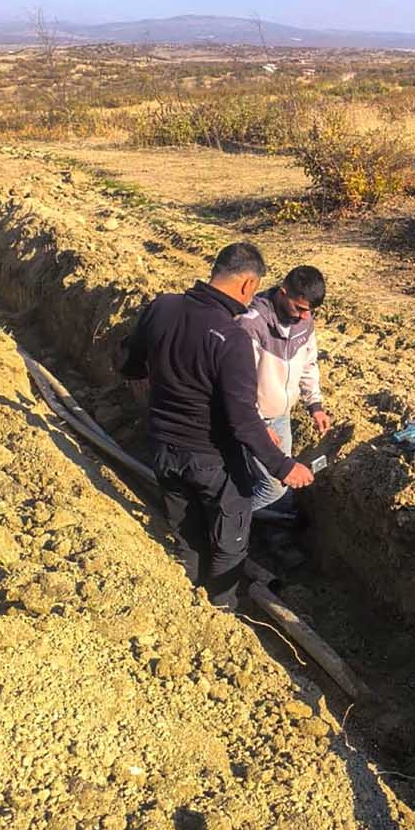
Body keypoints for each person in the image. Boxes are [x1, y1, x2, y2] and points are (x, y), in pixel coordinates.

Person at [119, 242, 314, 609]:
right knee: (228, 543)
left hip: (162, 449)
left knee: (187, 534)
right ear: (247, 285)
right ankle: (220, 613)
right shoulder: (232, 338)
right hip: (212, 461)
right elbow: (241, 420)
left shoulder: (162, 307)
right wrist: (284, 466)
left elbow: (129, 364)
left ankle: (188, 599)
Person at [236, 265, 332, 513]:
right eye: (299, 308)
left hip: (280, 416)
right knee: (273, 487)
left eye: (309, 311)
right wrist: (259, 426)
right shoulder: (252, 324)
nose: (304, 316)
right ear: (283, 292)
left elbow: (308, 363)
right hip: (251, 419)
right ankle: (225, 521)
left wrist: (315, 405)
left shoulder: (304, 321)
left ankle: (276, 525)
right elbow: (238, 383)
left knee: (281, 479)